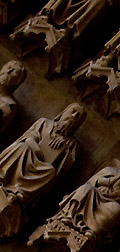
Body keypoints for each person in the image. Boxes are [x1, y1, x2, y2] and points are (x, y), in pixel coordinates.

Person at [0, 102, 84, 238]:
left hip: (41, 170)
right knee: (22, 147)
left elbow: (62, 170)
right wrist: (36, 149)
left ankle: (20, 193)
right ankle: (3, 177)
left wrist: (65, 147)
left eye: (78, 116)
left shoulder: (73, 144)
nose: (74, 116)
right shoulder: (44, 123)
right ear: (63, 112)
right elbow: (28, 137)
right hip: (27, 153)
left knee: (51, 173)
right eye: (73, 111)